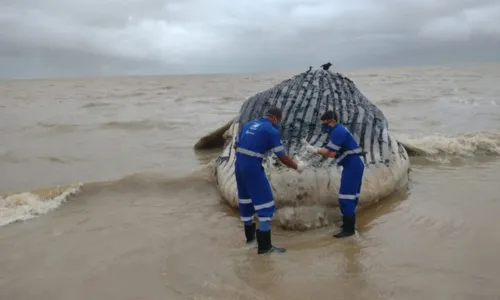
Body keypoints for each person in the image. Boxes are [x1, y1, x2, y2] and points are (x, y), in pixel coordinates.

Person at [233, 106, 305, 254]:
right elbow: (282, 156)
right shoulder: (271, 131)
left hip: (238, 165)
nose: (278, 123)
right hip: (252, 167)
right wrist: (297, 167)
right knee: (266, 205)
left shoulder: (248, 124)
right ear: (275, 118)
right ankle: (265, 247)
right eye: (279, 120)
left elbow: (235, 145)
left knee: (246, 202)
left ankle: (250, 241)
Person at [305, 110, 365, 238]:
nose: (323, 127)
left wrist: (314, 150)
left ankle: (349, 230)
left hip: (352, 166)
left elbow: (329, 153)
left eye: (325, 124)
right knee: (352, 197)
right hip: (354, 164)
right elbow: (333, 153)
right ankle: (348, 224)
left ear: (332, 121)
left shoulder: (338, 132)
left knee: (345, 198)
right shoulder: (339, 130)